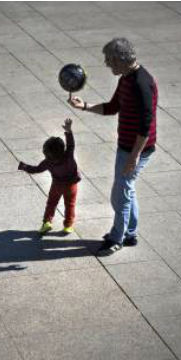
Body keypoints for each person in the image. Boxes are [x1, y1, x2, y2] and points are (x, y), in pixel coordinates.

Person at [68, 37, 158, 256]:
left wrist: (134, 157)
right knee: (125, 191)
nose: (107, 64)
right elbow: (113, 107)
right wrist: (85, 106)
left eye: (110, 60)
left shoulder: (141, 83)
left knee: (120, 194)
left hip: (137, 149)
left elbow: (146, 126)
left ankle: (117, 238)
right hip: (126, 147)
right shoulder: (126, 78)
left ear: (122, 59)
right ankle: (130, 233)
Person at [18, 118, 81, 235]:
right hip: (71, 186)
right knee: (70, 204)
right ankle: (68, 225)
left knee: (51, 203)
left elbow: (36, 169)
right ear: (62, 150)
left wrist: (24, 166)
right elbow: (71, 144)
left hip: (57, 186)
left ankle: (47, 222)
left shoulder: (47, 162)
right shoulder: (68, 156)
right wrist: (68, 131)